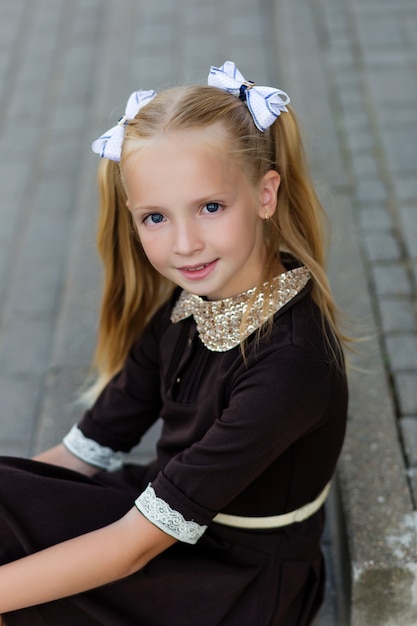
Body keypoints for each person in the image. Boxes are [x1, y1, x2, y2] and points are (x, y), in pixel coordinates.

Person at [0, 61, 348, 626]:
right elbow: (81, 452)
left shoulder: (290, 366)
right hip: (167, 518)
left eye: (210, 207)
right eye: (156, 217)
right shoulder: (185, 310)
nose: (185, 244)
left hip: (236, 584)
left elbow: (133, 547)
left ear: (266, 195)